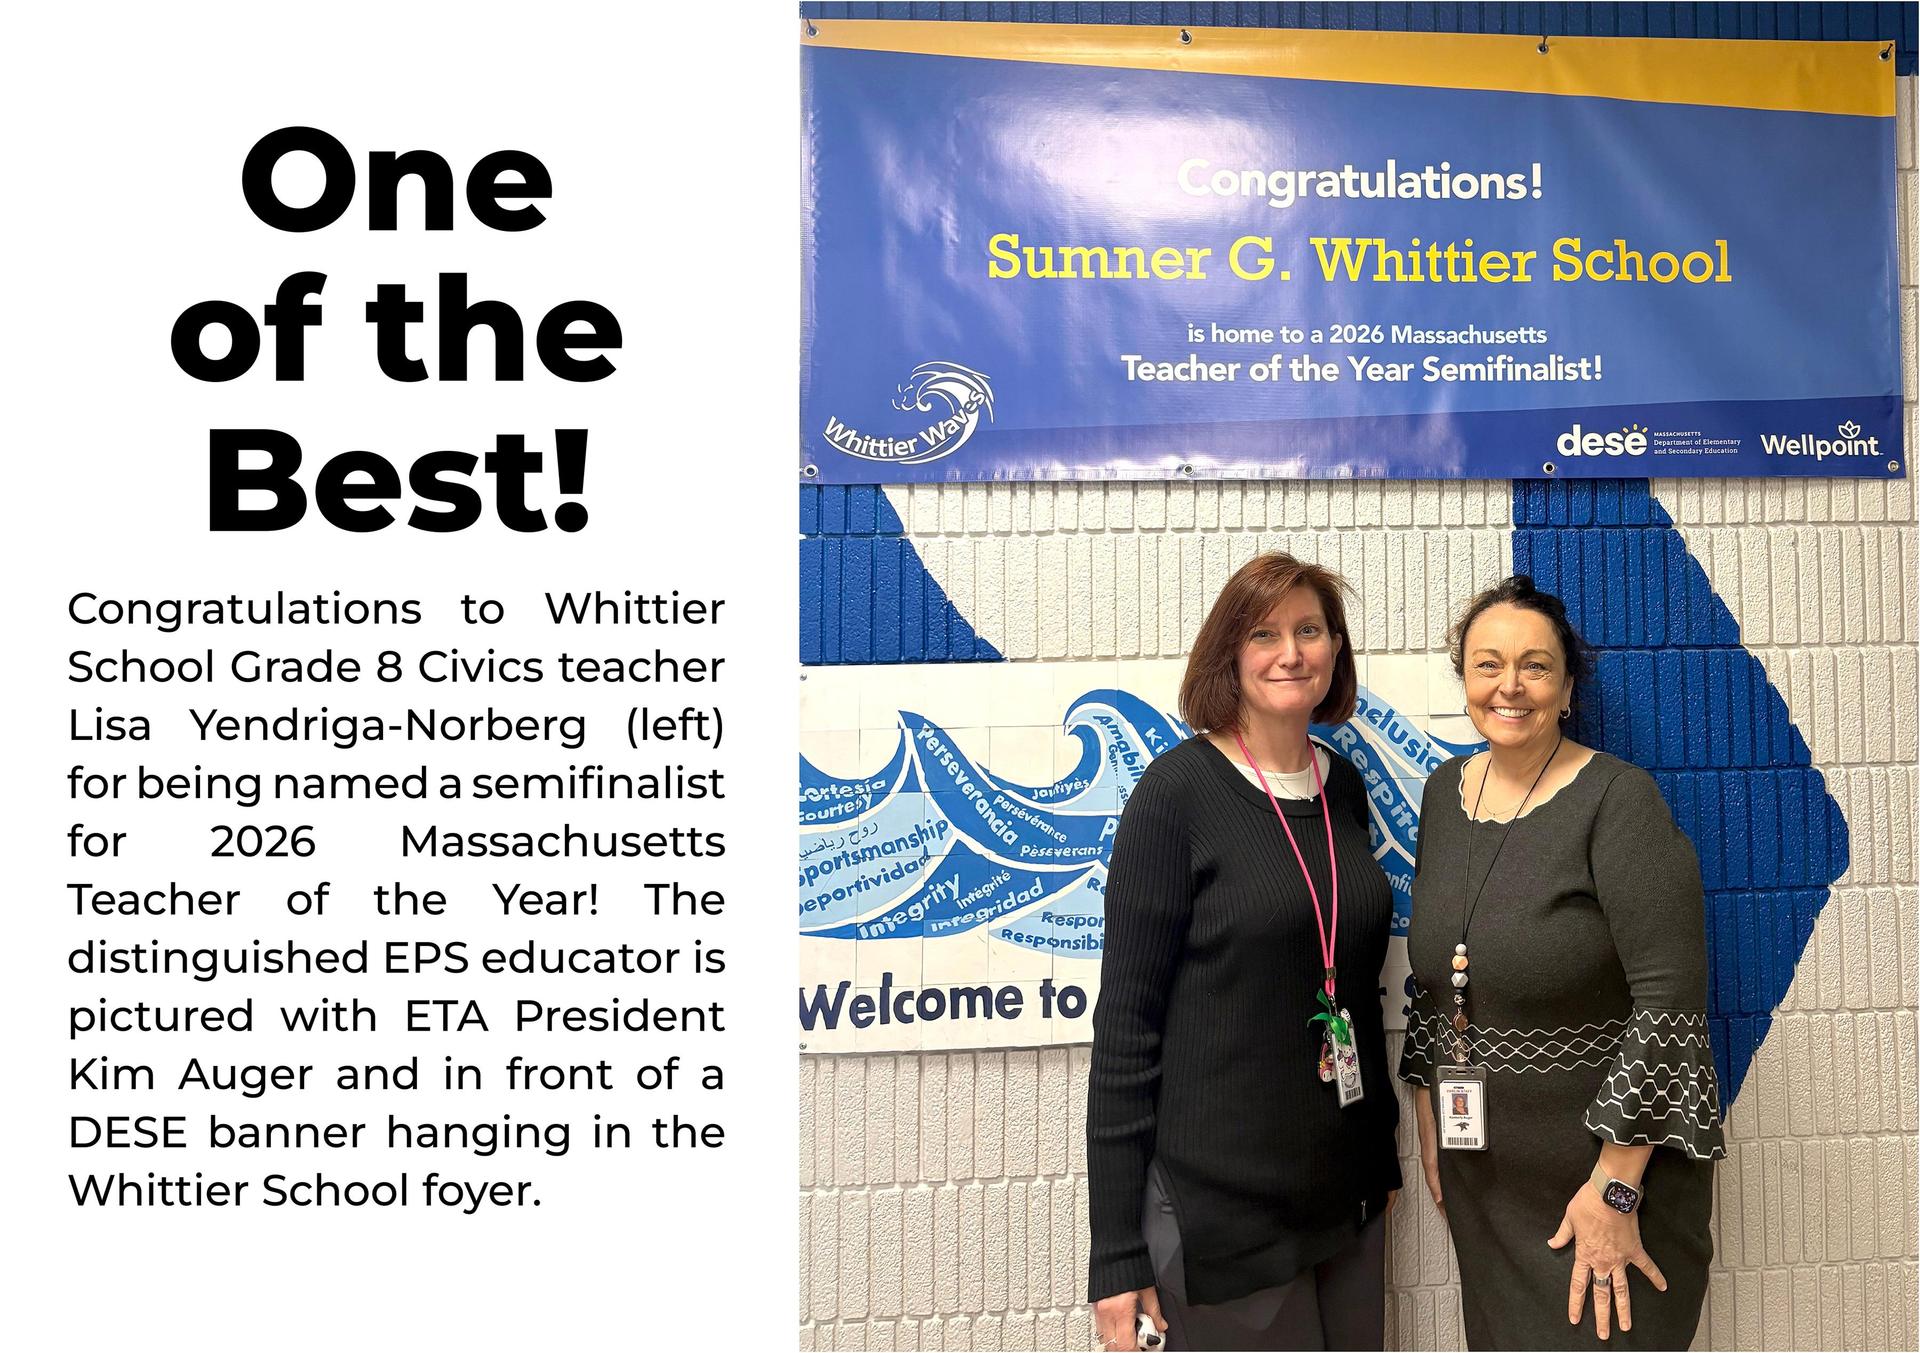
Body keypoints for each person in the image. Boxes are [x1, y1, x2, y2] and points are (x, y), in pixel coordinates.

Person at [1398, 576, 1725, 1349]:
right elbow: (1436, 983)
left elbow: (1670, 1005)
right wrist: (1429, 1115)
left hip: (1607, 1191)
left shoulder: (1618, 800)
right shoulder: (1444, 795)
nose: (1509, 685)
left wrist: (1616, 1186)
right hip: (1489, 1185)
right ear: (1465, 679)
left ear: (1568, 686)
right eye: (1488, 664)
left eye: (1535, 665)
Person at [1088, 553, 1401, 1352]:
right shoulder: (1177, 794)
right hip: (1226, 1220)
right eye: (1264, 633)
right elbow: (1126, 1029)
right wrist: (1116, 1253)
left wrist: (1379, 1159)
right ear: (1230, 652)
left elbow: (1352, 992)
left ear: (1336, 648)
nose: (1290, 653)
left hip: (1347, 1202)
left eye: (1309, 630)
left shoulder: (1344, 789)